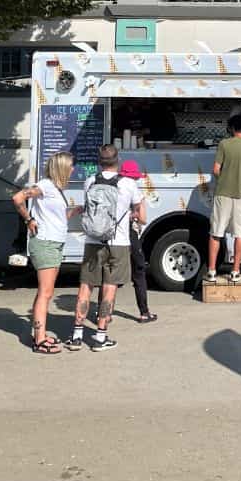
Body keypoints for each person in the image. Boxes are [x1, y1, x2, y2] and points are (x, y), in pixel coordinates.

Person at [68, 145, 144, 352]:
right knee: (109, 288)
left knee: (86, 287)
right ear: (117, 160)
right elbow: (138, 209)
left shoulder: (89, 181)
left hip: (92, 242)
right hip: (117, 243)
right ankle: (100, 337)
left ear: (99, 161)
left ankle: (76, 335)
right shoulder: (128, 184)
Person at [12, 151, 83, 354]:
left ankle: (39, 335)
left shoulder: (55, 189)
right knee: (46, 292)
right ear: (61, 168)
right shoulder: (45, 185)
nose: (72, 170)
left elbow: (57, 218)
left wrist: (74, 211)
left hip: (54, 243)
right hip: (45, 243)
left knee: (45, 292)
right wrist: (28, 219)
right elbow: (18, 198)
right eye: (70, 166)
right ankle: (39, 340)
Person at [205, 115, 241, 284]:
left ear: (231, 129)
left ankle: (212, 271)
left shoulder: (224, 144)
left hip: (223, 193)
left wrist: (225, 178)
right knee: (240, 234)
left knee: (216, 233)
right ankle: (236, 271)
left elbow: (216, 169)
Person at [120, 160, 156, 323]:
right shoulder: (133, 188)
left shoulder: (113, 185)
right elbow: (143, 219)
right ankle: (144, 312)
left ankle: (102, 314)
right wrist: (133, 215)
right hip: (129, 233)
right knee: (139, 271)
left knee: (109, 277)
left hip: (112, 235)